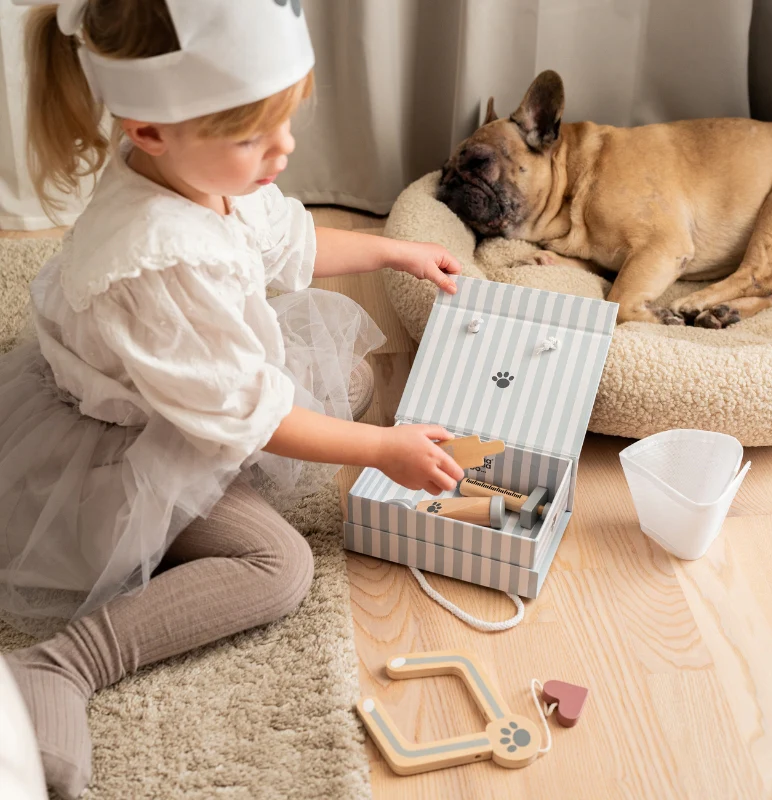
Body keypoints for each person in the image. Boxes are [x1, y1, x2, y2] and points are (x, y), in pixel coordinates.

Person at [0, 1, 464, 797]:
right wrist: (385, 450)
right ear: (150, 130)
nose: (284, 152)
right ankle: (59, 666)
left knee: (342, 373)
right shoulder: (158, 260)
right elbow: (264, 417)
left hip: (181, 384)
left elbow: (289, 244)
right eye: (256, 137)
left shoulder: (199, 169)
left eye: (286, 123)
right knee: (277, 567)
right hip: (116, 442)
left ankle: (229, 490)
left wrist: (394, 246)